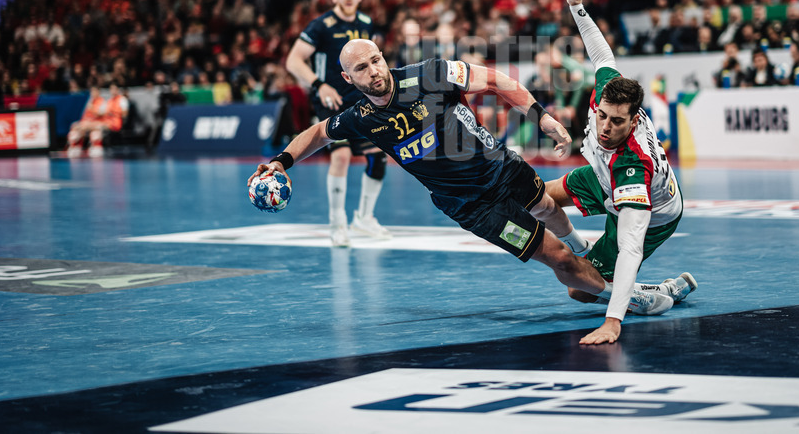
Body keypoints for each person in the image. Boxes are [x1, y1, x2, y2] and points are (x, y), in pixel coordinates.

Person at [250, 38, 676, 343]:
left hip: (500, 165)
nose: (374, 71)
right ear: (349, 76)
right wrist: (280, 163)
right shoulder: (361, 117)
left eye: (376, 60)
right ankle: (630, 298)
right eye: (362, 68)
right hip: (471, 207)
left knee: (546, 204)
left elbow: (493, 80)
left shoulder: (431, 74)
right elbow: (320, 133)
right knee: (557, 259)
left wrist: (540, 116)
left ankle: (582, 247)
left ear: (383, 55)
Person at [540, 0, 697, 346]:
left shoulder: (632, 165)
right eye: (602, 117)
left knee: (580, 288)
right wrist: (577, 7)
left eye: (616, 122)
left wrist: (613, 323)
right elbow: (601, 54)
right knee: (536, 195)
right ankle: (587, 252)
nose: (605, 127)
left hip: (651, 209)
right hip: (601, 176)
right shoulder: (609, 93)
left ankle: (649, 297)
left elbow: (631, 247)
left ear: (632, 121)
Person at [285, 0, 388, 247]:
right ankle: (337, 224)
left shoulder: (366, 23)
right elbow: (293, 61)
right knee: (340, 156)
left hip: (360, 99)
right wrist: (319, 85)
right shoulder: (321, 25)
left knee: (379, 155)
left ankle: (364, 218)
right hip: (330, 100)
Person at [66, 83, 130, 158]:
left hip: (114, 123)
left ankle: (96, 146)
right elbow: (102, 114)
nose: (112, 91)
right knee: (77, 126)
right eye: (111, 89)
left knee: (94, 126)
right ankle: (76, 146)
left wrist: (112, 113)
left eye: (114, 89)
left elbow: (124, 114)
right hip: (105, 122)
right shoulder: (108, 101)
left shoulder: (121, 99)